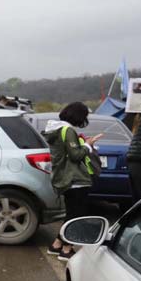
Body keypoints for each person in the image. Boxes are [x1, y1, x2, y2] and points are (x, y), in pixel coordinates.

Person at [44, 102, 101, 261]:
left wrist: (82, 144)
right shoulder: (67, 130)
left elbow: (68, 151)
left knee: (71, 214)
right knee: (76, 216)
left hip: (64, 177)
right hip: (75, 178)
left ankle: (56, 245)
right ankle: (67, 250)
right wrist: (88, 146)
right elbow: (76, 155)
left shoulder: (55, 129)